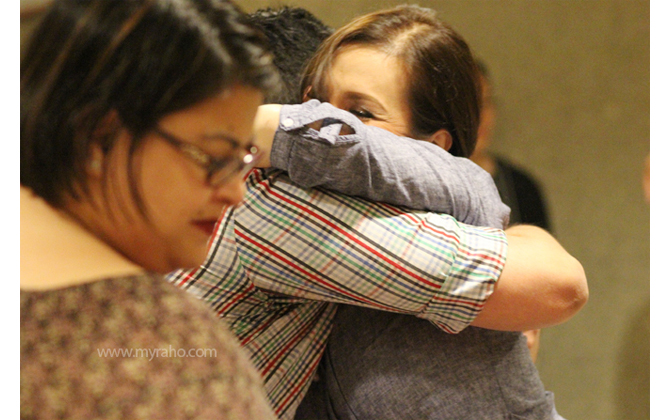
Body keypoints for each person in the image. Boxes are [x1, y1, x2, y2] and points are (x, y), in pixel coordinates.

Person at [169, 5, 587, 420]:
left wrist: (260, 130)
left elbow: (559, 285)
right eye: (314, 104)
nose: (328, 127)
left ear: (434, 147)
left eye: (360, 113)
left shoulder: (448, 184)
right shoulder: (280, 201)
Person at [20, 1, 281, 418]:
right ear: (96, 136)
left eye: (244, 161)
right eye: (214, 158)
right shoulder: (159, 344)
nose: (236, 193)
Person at [471, 58, 555, 362]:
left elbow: (547, 279)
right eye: (468, 104)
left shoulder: (521, 186)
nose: (479, 116)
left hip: (515, 344)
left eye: (486, 103)